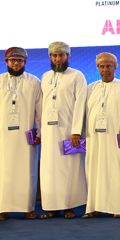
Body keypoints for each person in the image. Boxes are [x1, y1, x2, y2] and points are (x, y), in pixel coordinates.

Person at [0, 46, 43, 220]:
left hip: (26, 137)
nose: (16, 63)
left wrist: (40, 133)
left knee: (27, 172)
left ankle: (28, 208)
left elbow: (40, 110)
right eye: (13, 60)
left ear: (25, 62)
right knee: (3, 173)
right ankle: (3, 209)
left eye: (19, 61)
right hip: (2, 137)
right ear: (6, 62)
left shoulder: (34, 82)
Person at [39, 41, 88, 218]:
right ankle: (51, 207)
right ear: (50, 57)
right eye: (55, 55)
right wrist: (39, 131)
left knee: (68, 169)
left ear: (68, 56)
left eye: (61, 55)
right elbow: (42, 105)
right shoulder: (45, 77)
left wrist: (76, 131)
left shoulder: (77, 76)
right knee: (49, 170)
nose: (58, 59)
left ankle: (69, 206)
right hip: (48, 132)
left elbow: (80, 104)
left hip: (68, 131)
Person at [83, 52, 120, 218]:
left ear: (115, 67)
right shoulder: (90, 88)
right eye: (101, 66)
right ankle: (94, 207)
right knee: (94, 171)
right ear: (97, 68)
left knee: (118, 170)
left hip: (117, 137)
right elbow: (83, 113)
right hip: (94, 138)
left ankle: (117, 208)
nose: (105, 70)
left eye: (108, 66)